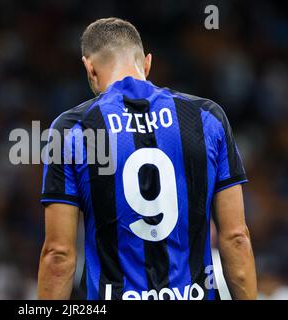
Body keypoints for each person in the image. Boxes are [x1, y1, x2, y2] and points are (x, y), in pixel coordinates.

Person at [37, 17, 257, 300]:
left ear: (89, 68)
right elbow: (236, 238)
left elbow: (58, 254)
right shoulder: (207, 118)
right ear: (147, 63)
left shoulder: (71, 130)